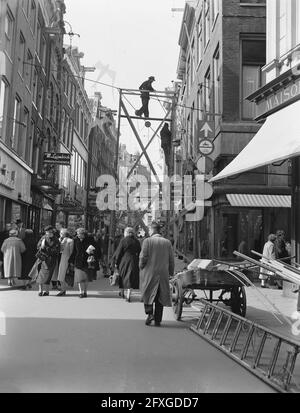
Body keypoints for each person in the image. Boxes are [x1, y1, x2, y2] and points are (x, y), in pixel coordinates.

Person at [139, 222, 175, 327]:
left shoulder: (147, 241)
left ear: (153, 230)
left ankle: (149, 313)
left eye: (149, 230)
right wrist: (171, 272)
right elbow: (171, 259)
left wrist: (141, 266)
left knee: (147, 292)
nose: (148, 232)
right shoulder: (167, 242)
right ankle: (158, 319)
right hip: (163, 273)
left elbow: (143, 257)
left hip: (149, 272)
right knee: (160, 295)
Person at [115, 227, 141, 302]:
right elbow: (140, 251)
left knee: (123, 276)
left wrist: (116, 262)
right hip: (134, 260)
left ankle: (122, 292)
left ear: (126, 233)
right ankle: (128, 295)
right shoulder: (136, 241)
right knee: (131, 277)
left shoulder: (123, 240)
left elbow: (119, 252)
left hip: (124, 260)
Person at [69, 228, 97, 298]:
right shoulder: (75, 240)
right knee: (79, 278)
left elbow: (95, 249)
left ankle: (85, 291)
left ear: (83, 234)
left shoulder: (90, 240)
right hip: (78, 261)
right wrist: (71, 261)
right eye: (77, 234)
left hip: (87, 261)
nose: (78, 235)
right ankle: (81, 292)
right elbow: (74, 251)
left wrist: (91, 252)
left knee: (86, 278)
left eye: (80, 234)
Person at [36, 226, 60, 296]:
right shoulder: (43, 238)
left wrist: (46, 248)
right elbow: (38, 246)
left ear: (52, 232)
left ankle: (46, 291)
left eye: (49, 232)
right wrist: (41, 246)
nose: (47, 234)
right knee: (40, 275)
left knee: (48, 276)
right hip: (43, 259)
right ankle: (40, 291)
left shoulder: (56, 240)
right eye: (46, 232)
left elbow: (57, 251)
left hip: (51, 260)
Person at [57, 229, 74, 296]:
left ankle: (63, 290)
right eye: (60, 233)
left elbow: (71, 252)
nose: (60, 234)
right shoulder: (58, 240)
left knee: (62, 275)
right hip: (59, 259)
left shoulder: (70, 241)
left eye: (61, 233)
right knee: (60, 275)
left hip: (65, 259)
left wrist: (70, 261)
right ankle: (62, 289)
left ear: (65, 233)